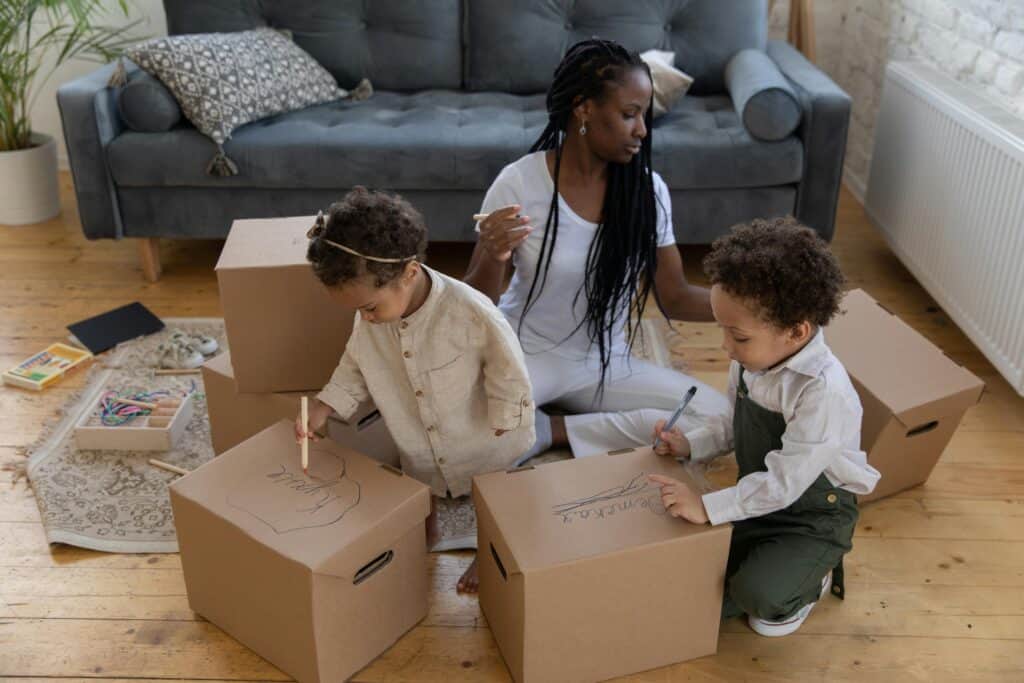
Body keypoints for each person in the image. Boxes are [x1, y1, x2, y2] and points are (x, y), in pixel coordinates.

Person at [464, 38, 730, 461]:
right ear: (584, 108)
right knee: (462, 445)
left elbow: (676, 295)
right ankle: (538, 426)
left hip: (605, 363)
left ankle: (553, 430)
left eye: (644, 115)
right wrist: (494, 256)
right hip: (526, 352)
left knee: (718, 418)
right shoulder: (519, 184)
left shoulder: (648, 191)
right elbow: (475, 305)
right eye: (629, 114)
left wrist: (755, 307)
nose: (642, 130)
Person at [295, 186, 535, 593]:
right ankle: (425, 532)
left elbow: (508, 366)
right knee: (419, 486)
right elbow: (356, 362)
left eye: (369, 307)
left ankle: (489, 548)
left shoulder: (471, 311)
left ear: (408, 273)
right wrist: (325, 404)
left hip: (481, 434)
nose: (365, 319)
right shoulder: (370, 318)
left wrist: (506, 414)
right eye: (358, 310)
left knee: (493, 499)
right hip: (417, 433)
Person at [648, 217, 881, 636]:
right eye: (722, 329)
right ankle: (772, 562)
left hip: (812, 517)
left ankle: (813, 579)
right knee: (693, 581)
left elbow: (785, 483)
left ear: (796, 332)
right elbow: (733, 423)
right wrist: (691, 444)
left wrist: (707, 507)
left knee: (759, 598)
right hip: (758, 498)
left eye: (738, 337)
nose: (725, 347)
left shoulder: (823, 392)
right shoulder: (752, 361)